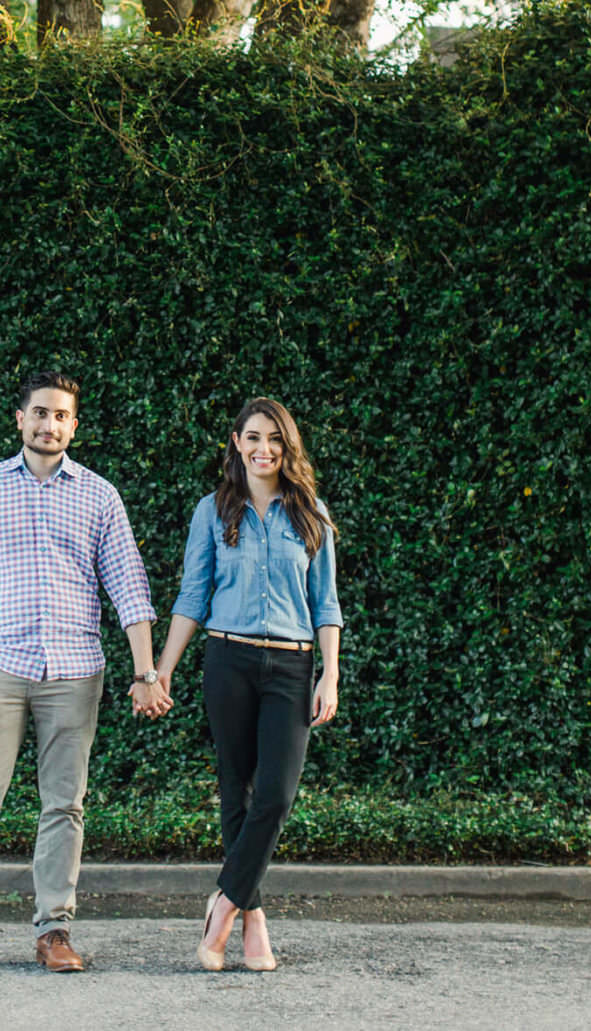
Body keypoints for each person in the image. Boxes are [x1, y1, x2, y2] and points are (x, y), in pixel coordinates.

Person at [0, 372, 169, 979]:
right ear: (19, 419)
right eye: (39, 413)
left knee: (65, 806)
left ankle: (54, 931)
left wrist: (146, 671)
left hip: (76, 674)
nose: (49, 424)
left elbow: (128, 588)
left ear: (73, 425)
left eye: (60, 415)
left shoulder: (100, 496)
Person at [153, 396, 342, 971]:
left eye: (275, 440)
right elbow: (192, 595)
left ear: (288, 448)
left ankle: (226, 905)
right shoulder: (211, 511)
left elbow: (325, 603)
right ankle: (254, 921)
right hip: (228, 660)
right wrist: (162, 669)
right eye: (253, 438)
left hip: (292, 665)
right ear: (236, 443)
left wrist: (330, 673)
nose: (264, 449)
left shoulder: (312, 513)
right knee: (237, 792)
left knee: (277, 796)